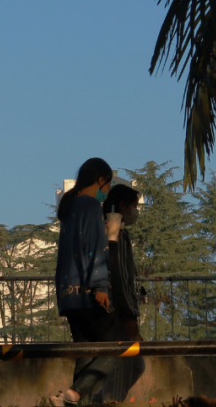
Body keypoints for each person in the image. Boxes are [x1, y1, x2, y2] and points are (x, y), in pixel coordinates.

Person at [50, 157, 121, 406]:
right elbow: (94, 250)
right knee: (116, 347)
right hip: (88, 292)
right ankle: (74, 394)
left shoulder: (69, 209)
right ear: (100, 180)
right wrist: (101, 286)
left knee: (84, 353)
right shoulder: (90, 206)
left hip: (69, 295)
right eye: (108, 184)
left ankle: (72, 401)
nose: (108, 190)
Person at [97, 183, 146, 402]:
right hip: (117, 313)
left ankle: (98, 402)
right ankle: (104, 402)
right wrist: (128, 314)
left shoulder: (118, 229)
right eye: (134, 206)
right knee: (123, 366)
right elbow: (116, 274)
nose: (135, 212)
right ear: (123, 205)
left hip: (120, 310)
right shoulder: (113, 226)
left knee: (135, 365)